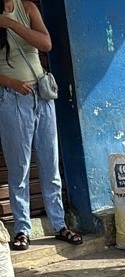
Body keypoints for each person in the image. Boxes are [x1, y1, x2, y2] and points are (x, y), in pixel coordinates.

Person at [0, 0, 82, 251]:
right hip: (13, 98)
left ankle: (59, 224)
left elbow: (46, 44)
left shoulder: (28, 9)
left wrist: (11, 24)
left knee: (50, 163)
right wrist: (10, 83)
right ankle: (22, 229)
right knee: (19, 168)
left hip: (42, 95)